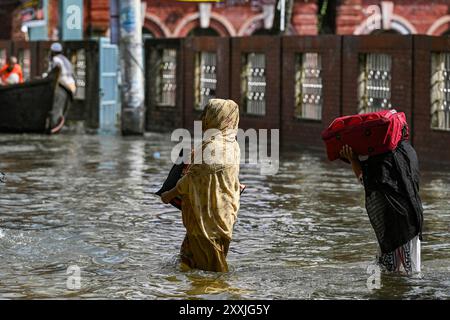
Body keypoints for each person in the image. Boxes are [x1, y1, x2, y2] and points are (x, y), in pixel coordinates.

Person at [161, 99, 241, 272]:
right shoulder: (232, 144)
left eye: (207, 114)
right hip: (224, 216)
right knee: (194, 261)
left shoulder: (212, 147)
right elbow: (226, 174)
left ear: (216, 118)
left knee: (211, 269)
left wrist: (169, 195)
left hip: (206, 220)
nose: (203, 118)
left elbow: (190, 180)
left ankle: (213, 291)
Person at [340, 141, 424, 274]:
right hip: (414, 221)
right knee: (411, 274)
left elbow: (365, 180)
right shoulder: (408, 152)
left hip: (396, 228)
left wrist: (353, 160)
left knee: (393, 275)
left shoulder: (383, 159)